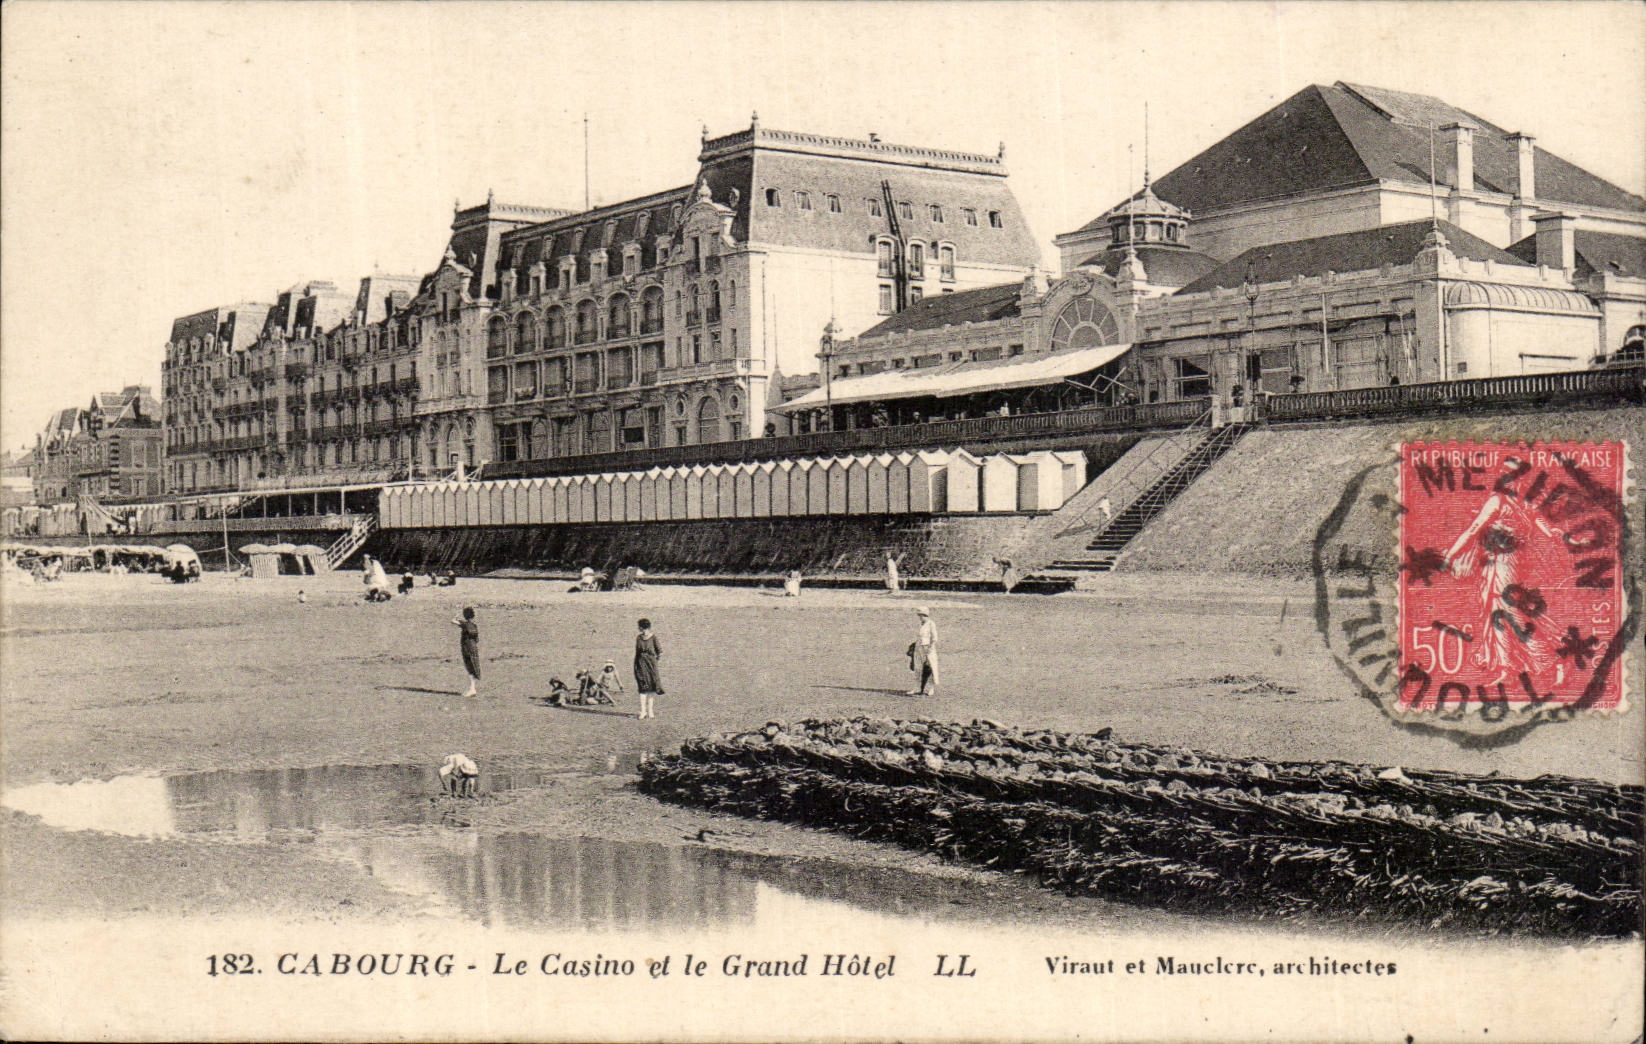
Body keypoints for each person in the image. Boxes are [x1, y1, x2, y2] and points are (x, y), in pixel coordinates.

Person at [633, 617, 663, 719]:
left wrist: (654, 662)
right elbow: (637, 652)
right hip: (641, 664)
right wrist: (637, 666)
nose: (638, 628)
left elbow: (659, 651)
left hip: (651, 665)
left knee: (651, 688)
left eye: (639, 627)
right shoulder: (638, 638)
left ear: (642, 627)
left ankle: (650, 712)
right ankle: (643, 712)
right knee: (642, 687)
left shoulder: (653, 638)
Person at [908, 606, 939, 697]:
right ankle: (917, 688)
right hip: (919, 648)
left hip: (928, 649)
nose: (921, 617)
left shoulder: (931, 624)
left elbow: (934, 637)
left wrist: (931, 647)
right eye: (920, 615)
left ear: (926, 615)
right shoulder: (920, 624)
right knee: (917, 668)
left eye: (922, 615)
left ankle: (930, 688)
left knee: (930, 668)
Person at [451, 606, 480, 698]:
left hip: (467, 648)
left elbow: (452, 621)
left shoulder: (465, 624)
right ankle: (472, 688)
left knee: (470, 667)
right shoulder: (474, 625)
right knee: (474, 667)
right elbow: (477, 639)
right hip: (474, 648)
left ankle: (472, 689)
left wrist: (457, 615)